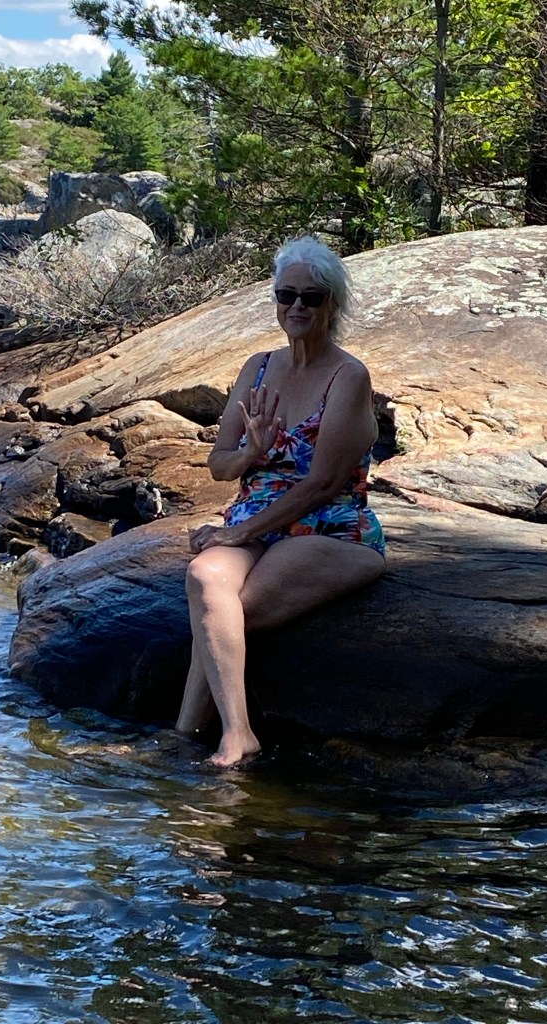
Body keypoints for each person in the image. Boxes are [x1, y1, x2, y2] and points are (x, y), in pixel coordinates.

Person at [175, 235, 386, 767]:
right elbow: (219, 464)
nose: (297, 306)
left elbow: (322, 483)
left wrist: (236, 533)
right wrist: (252, 452)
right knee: (206, 580)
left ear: (332, 304)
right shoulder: (258, 367)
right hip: (256, 518)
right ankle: (230, 734)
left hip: (328, 523)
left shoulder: (348, 376)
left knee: (230, 610)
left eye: (311, 297)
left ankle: (201, 734)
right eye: (286, 294)